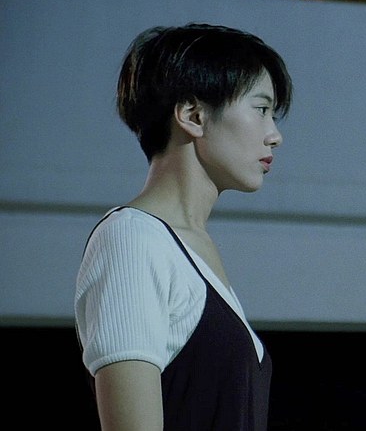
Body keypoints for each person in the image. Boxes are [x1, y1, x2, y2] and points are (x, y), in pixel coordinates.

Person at [74, 23, 293, 430]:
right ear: (193, 115)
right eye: (261, 109)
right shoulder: (133, 239)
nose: (275, 136)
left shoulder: (192, 245)